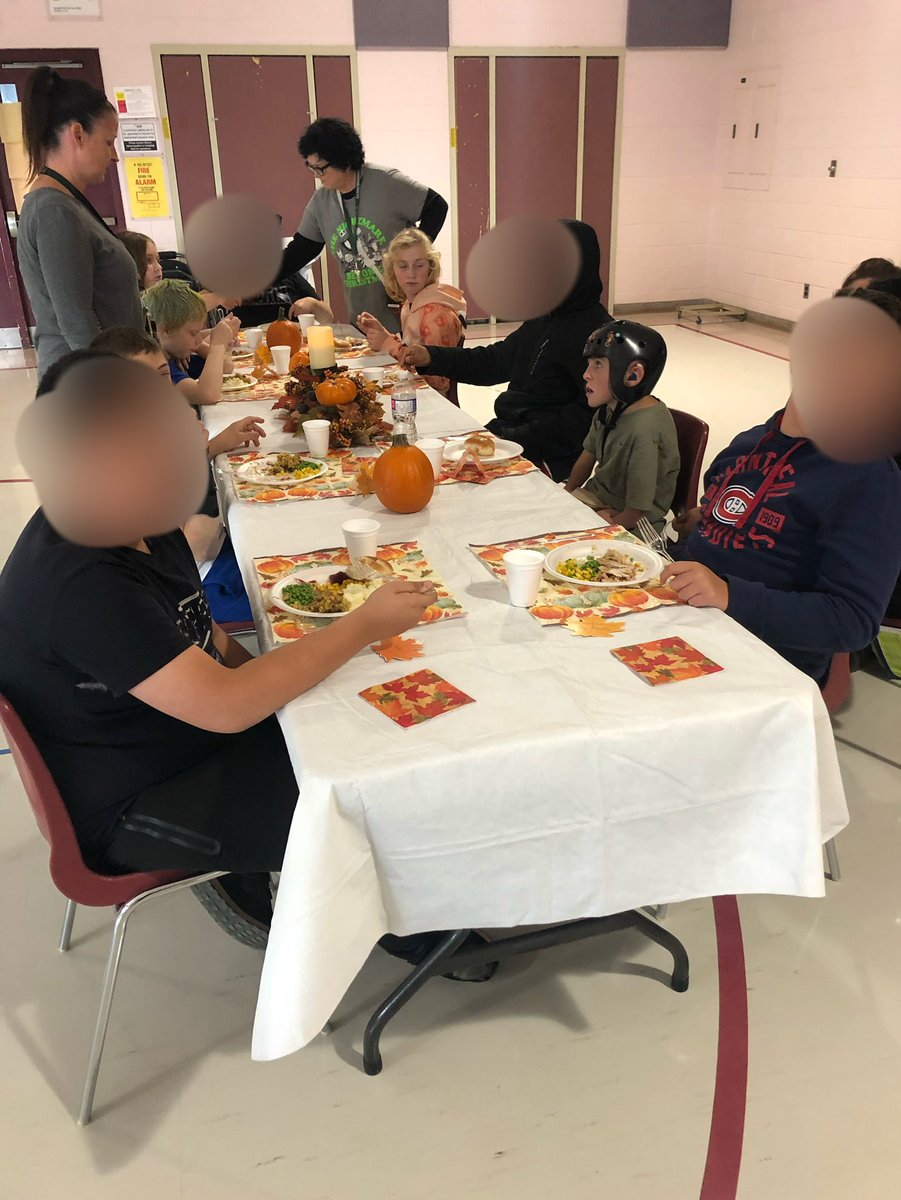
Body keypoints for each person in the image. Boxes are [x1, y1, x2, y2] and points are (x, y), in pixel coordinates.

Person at [0, 352, 436, 928]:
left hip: (186, 735)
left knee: (372, 727)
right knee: (366, 803)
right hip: (137, 799)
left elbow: (203, 633)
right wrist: (361, 625)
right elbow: (226, 706)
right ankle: (405, 932)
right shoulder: (81, 582)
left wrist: (276, 682)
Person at [662, 368, 901, 684]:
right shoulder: (750, 442)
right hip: (679, 614)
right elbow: (728, 519)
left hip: (758, 662)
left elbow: (852, 620)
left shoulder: (870, 481)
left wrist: (729, 594)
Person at [398, 220, 611, 480]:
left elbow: (580, 423)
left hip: (549, 457)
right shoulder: (546, 316)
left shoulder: (599, 335)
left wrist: (505, 440)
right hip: (512, 437)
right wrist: (431, 356)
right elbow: (494, 361)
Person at [90, 326, 263, 622]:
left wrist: (217, 443)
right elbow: (186, 543)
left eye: (161, 375)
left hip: (204, 554)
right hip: (197, 576)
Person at [17, 67, 144, 375]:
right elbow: (78, 325)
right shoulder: (54, 211)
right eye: (108, 142)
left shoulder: (66, 204)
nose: (114, 157)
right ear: (77, 134)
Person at [279, 117, 448, 333]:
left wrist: (411, 258)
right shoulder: (322, 202)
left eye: (321, 169)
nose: (316, 175)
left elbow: (437, 207)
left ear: (344, 160)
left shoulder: (386, 182)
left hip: (408, 319)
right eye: (311, 168)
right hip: (362, 320)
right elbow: (299, 252)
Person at [564, 321, 678, 532]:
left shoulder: (644, 430)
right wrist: (566, 493)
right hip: (596, 503)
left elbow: (637, 511)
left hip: (632, 524)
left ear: (633, 375)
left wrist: (609, 526)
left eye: (598, 364)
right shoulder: (609, 409)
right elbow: (586, 459)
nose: (586, 374)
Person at [357, 229, 466, 397]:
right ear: (392, 270)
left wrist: (388, 344)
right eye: (403, 266)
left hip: (434, 404)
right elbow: (410, 348)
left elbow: (436, 380)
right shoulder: (410, 305)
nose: (411, 274)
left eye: (419, 265)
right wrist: (383, 335)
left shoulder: (436, 316)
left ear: (430, 267)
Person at [142, 279, 239, 405]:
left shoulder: (178, 355)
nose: (198, 340)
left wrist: (200, 346)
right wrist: (218, 345)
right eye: (193, 333)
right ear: (166, 329)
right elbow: (208, 395)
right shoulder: (161, 368)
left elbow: (226, 367)